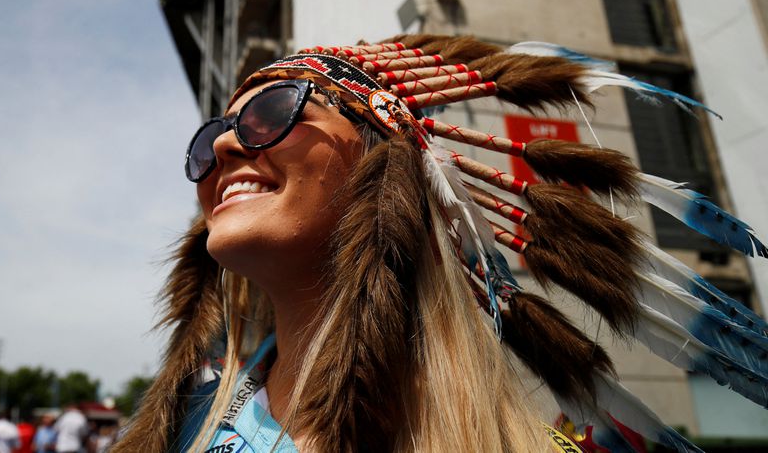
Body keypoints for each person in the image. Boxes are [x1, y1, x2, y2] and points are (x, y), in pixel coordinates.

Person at [114, 34, 768, 452]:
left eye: (271, 112)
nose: (225, 145)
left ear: (383, 171)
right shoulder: (183, 428)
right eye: (213, 134)